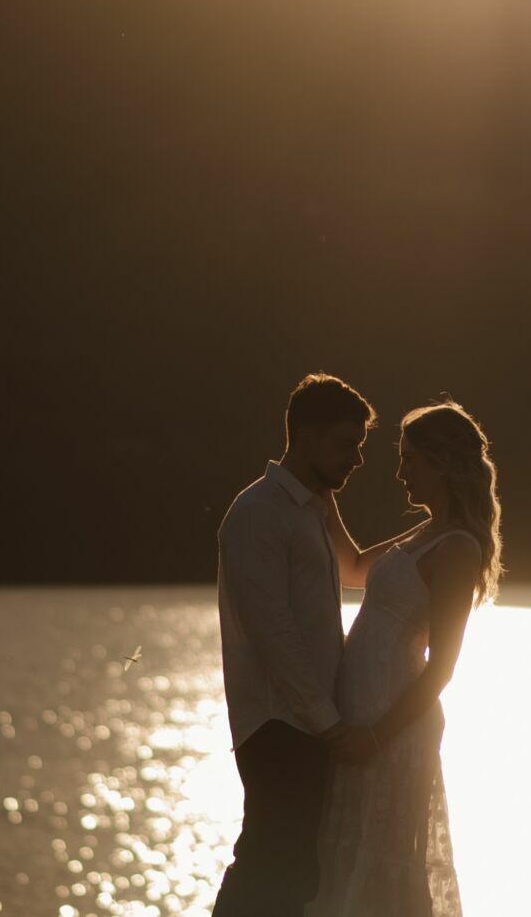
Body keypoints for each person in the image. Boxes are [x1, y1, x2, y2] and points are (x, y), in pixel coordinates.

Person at [305, 400, 504, 917]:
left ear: (443, 464)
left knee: (383, 871)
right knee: (347, 865)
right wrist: (317, 481)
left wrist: (374, 734)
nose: (400, 472)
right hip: (360, 721)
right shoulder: (422, 535)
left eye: (410, 459)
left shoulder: (457, 547)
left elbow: (443, 667)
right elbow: (350, 568)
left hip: (390, 733)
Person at [213, 373, 401, 917]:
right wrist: (332, 725)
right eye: (347, 445)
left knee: (295, 874)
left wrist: (435, 531)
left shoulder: (313, 507)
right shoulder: (256, 514)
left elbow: (357, 568)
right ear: (306, 436)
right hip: (277, 725)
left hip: (308, 723)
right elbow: (276, 639)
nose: (358, 460)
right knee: (269, 865)